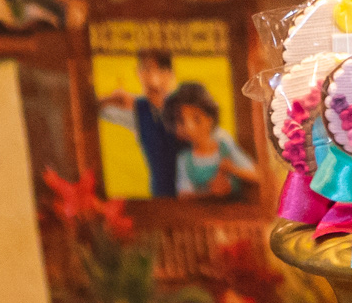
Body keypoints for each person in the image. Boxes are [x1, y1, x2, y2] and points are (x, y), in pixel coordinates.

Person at [99, 49, 184, 198]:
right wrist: (110, 99)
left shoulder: (184, 105)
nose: (150, 75)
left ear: (169, 74)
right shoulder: (138, 110)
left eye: (156, 69)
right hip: (160, 196)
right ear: (139, 73)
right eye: (145, 69)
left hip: (192, 193)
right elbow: (93, 109)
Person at [165, 82, 256, 203]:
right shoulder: (185, 159)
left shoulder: (225, 147)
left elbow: (257, 175)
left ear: (210, 118)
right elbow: (184, 195)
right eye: (181, 121)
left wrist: (232, 169)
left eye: (197, 119)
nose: (190, 128)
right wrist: (210, 192)